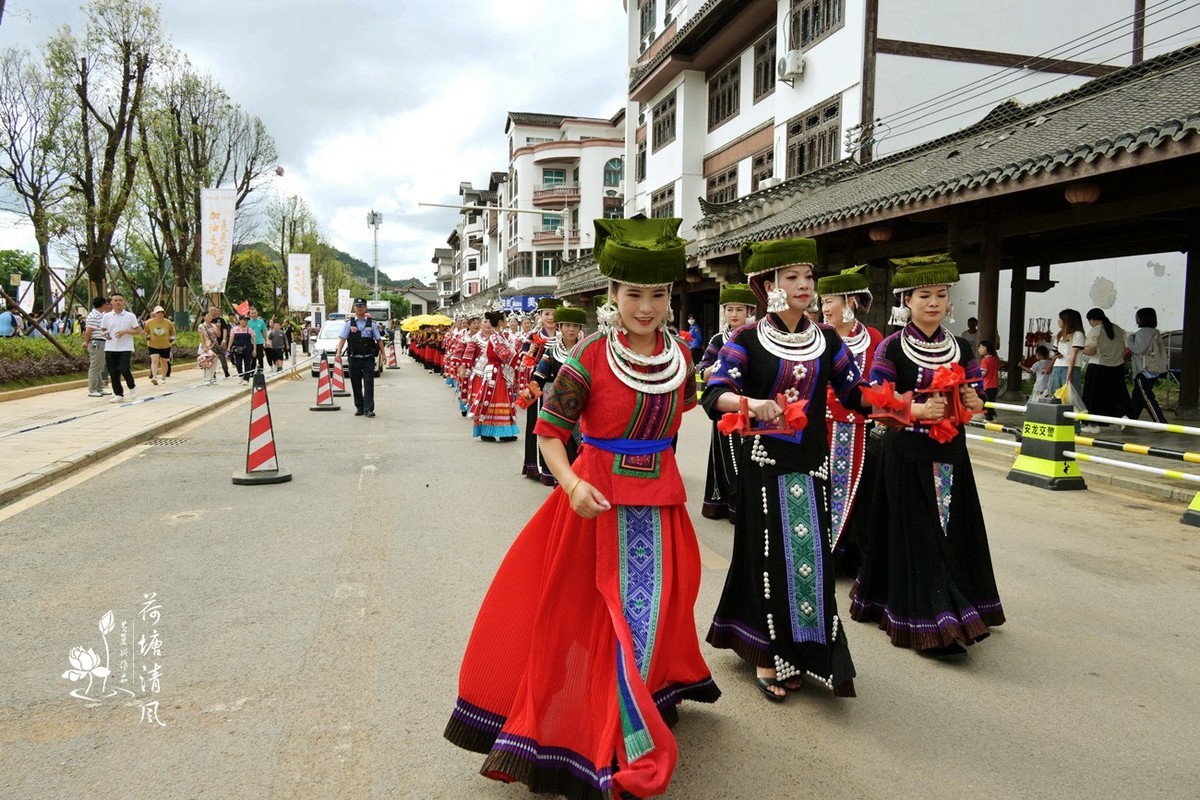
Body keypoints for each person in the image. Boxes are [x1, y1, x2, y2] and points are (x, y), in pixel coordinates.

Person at [446, 217, 719, 800]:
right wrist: (570, 484)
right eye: (634, 294)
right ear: (612, 294)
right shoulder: (589, 357)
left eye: (658, 295)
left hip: (660, 504)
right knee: (594, 616)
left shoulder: (678, 356)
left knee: (654, 612)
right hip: (595, 504)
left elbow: (686, 407)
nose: (645, 308)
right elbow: (549, 432)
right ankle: (598, 723)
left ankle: (633, 703)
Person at [702, 238, 867, 701]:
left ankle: (808, 652)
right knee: (769, 559)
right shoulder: (747, 340)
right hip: (763, 465)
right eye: (791, 277)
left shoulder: (826, 339)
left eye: (808, 276)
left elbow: (856, 394)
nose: (804, 285)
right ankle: (765, 653)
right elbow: (714, 394)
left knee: (811, 559)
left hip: (812, 464)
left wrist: (906, 407)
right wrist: (752, 403)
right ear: (768, 285)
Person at [849, 254, 1003, 660]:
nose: (933, 302)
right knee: (919, 534)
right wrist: (915, 409)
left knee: (951, 530)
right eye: (924, 295)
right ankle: (932, 623)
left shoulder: (962, 347)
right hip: (906, 453)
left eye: (941, 294)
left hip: (951, 451)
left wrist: (975, 400)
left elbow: (976, 395)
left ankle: (959, 606)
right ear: (907, 300)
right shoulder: (892, 347)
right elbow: (876, 400)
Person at [819, 264, 885, 574]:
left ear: (851, 301)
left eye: (830, 300)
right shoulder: (817, 336)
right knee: (825, 491)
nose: (825, 308)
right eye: (823, 301)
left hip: (862, 429)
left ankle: (857, 558)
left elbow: (880, 381)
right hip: (823, 426)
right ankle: (826, 555)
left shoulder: (874, 338)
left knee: (863, 497)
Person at [697, 283, 755, 521]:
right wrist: (721, 365)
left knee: (749, 455)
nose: (734, 314)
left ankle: (746, 507)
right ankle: (730, 505)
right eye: (729, 309)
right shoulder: (719, 340)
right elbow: (703, 373)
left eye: (739, 309)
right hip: (724, 404)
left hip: (751, 405)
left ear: (749, 311)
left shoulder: (757, 338)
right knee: (727, 457)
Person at [522, 303, 586, 485]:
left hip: (582, 406)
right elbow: (539, 376)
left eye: (575, 326)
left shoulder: (586, 351)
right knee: (560, 442)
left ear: (580, 328)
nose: (571, 330)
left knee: (581, 443)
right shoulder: (552, 352)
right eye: (567, 325)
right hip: (557, 406)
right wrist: (526, 397)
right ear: (560, 327)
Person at [518, 298, 561, 476]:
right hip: (539, 384)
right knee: (537, 423)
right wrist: (533, 352)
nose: (550, 318)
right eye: (546, 314)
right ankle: (536, 466)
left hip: (561, 384)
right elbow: (523, 362)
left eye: (554, 314)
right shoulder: (533, 336)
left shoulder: (565, 335)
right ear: (540, 316)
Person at [468, 311, 519, 441]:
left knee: (503, 399)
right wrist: (518, 356)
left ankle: (503, 431)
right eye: (505, 319)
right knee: (494, 399)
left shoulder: (501, 336)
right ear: (501, 322)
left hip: (502, 372)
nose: (507, 321)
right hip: (496, 373)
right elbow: (504, 355)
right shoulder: (495, 337)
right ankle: (487, 431)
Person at [1080, 308, 1129, 433]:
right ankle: (1122, 417)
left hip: (1098, 367)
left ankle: (1093, 425)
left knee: (1094, 397)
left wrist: (1080, 349)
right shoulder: (1118, 329)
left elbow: (1091, 350)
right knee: (1116, 395)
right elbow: (1125, 348)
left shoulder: (1095, 330)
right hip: (1117, 367)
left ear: (1092, 320)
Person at [336, 298, 386, 417]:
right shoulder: (349, 324)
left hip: (368, 358)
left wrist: (384, 354)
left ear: (366, 308)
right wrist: (338, 352)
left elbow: (379, 340)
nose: (360, 308)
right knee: (356, 384)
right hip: (354, 358)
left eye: (362, 306)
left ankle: (368, 409)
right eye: (358, 306)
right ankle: (360, 407)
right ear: (354, 308)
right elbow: (343, 338)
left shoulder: (372, 324)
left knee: (369, 383)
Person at [1126, 307, 1169, 423]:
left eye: (1137, 317)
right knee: (1137, 398)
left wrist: (1129, 340)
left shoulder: (1142, 333)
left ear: (1142, 318)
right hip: (1153, 370)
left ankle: (1159, 421)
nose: (1136, 319)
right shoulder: (1155, 332)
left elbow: (1139, 349)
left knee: (1147, 398)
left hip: (1143, 371)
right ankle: (1130, 421)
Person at [100, 292, 141, 402]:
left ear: (124, 302)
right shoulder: (106, 316)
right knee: (113, 372)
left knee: (124, 368)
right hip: (110, 347)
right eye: (115, 300)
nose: (118, 302)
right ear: (111, 303)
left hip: (125, 347)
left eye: (120, 300)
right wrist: (104, 334)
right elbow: (102, 330)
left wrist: (125, 331)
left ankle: (132, 387)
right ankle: (119, 394)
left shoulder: (130, 316)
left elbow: (137, 331)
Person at [1048, 308, 1086, 400]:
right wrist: (1056, 357)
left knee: (1070, 397)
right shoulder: (1060, 335)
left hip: (1071, 367)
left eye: (1060, 319)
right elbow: (1054, 350)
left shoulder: (1078, 334)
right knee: (1054, 395)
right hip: (1057, 367)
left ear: (1066, 321)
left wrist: (1069, 373)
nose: (1058, 321)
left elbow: (1073, 354)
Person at [83, 297, 111, 397]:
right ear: (103, 305)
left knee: (100, 366)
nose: (108, 306)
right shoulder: (94, 316)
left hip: (102, 342)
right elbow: (88, 331)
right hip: (96, 342)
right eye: (107, 304)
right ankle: (92, 389)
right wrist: (86, 342)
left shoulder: (100, 315)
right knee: (95, 366)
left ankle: (99, 388)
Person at [144, 305, 175, 385]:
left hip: (165, 346)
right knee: (154, 360)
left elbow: (172, 333)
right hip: (153, 345)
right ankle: (154, 377)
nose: (160, 314)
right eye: (158, 312)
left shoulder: (168, 323)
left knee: (164, 362)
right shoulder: (149, 322)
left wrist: (171, 340)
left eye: (162, 312)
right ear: (154, 314)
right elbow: (146, 332)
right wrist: (146, 337)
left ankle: (163, 377)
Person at [978, 340, 1001, 421]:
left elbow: (984, 372)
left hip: (987, 384)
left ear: (988, 349)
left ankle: (989, 417)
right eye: (979, 348)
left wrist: (977, 376)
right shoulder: (995, 359)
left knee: (986, 402)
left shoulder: (984, 360)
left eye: (982, 348)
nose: (980, 349)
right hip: (994, 384)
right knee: (991, 401)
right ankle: (992, 415)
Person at [229, 314, 255, 382]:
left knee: (247, 364)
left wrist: (254, 350)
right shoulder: (234, 329)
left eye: (247, 320)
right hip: (238, 349)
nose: (245, 322)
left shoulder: (250, 330)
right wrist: (228, 348)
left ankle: (246, 379)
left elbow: (254, 340)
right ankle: (241, 375)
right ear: (240, 321)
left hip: (248, 349)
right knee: (238, 364)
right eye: (244, 320)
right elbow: (231, 339)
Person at [197, 308, 219, 385]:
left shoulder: (213, 325)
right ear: (204, 317)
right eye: (208, 315)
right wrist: (204, 347)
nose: (210, 317)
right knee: (208, 362)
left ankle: (211, 378)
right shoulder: (201, 326)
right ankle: (207, 379)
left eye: (210, 315)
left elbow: (218, 335)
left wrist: (217, 327)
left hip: (214, 346)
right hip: (207, 346)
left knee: (214, 362)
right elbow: (202, 337)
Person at [209, 307, 230, 379]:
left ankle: (226, 371)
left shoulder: (220, 320)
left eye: (215, 310)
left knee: (222, 357)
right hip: (210, 343)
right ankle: (213, 373)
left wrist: (224, 340)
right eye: (212, 310)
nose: (214, 312)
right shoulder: (207, 320)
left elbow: (224, 330)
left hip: (219, 342)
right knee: (211, 358)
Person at [246, 307, 268, 372]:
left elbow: (264, 331)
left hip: (259, 342)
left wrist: (266, 340)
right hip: (251, 342)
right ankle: (252, 371)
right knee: (253, 357)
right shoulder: (248, 322)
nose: (253, 314)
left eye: (254, 313)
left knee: (260, 357)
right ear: (250, 314)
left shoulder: (261, 321)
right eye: (252, 313)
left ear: (257, 313)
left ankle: (261, 370)